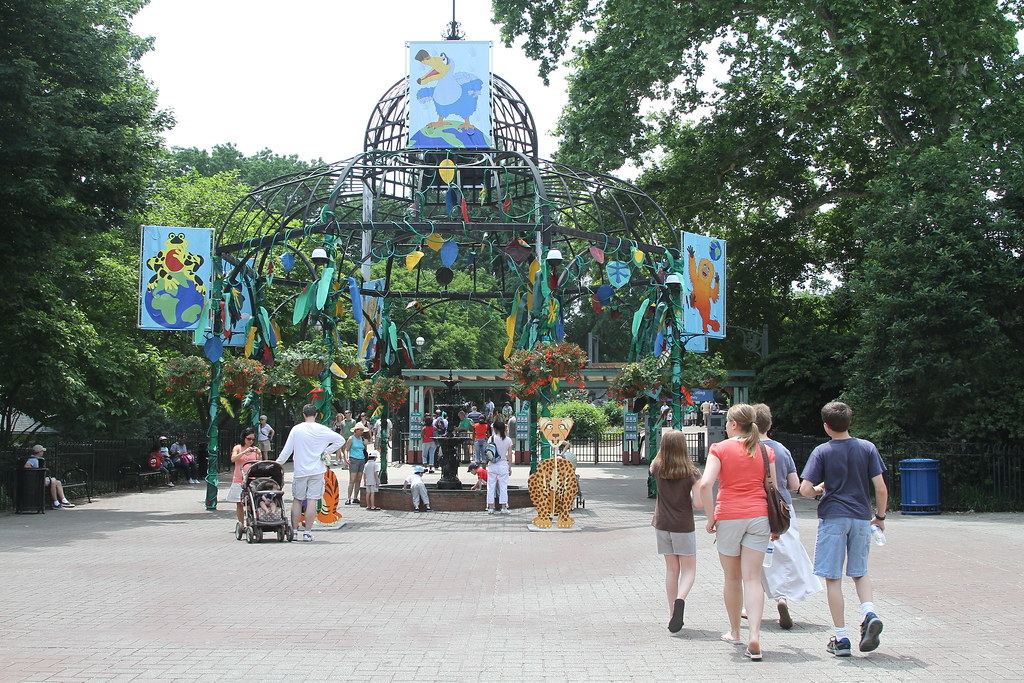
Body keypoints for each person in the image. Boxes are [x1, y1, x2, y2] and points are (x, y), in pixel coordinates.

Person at [799, 401, 888, 657]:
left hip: (833, 518)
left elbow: (805, 489)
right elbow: (881, 488)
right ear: (850, 422)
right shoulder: (867, 448)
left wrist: (818, 490)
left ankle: (841, 638)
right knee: (860, 573)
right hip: (861, 517)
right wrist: (880, 517)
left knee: (833, 578)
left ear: (826, 426)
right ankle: (869, 613)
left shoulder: (822, 451)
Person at [698, 403, 780, 661]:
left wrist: (710, 517)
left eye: (727, 422)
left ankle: (735, 632)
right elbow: (774, 488)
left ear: (734, 424)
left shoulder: (719, 449)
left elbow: (705, 484)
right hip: (759, 516)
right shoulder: (765, 451)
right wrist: (775, 524)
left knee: (732, 578)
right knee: (753, 579)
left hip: (729, 516)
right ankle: (754, 634)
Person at [752, 404, 821, 629]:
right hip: (782, 508)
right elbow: (793, 484)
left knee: (754, 555)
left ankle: (750, 604)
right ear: (770, 425)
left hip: (755, 507)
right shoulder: (782, 450)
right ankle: (782, 598)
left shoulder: (746, 448)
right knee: (785, 552)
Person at [650, 431, 702, 633]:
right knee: (689, 570)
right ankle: (680, 599)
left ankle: (672, 613)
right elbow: (698, 504)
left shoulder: (657, 467)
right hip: (683, 525)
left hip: (662, 524)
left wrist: (662, 449)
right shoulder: (692, 473)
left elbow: (653, 463)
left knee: (672, 570)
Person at [275, 404, 345, 542]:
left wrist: (277, 464)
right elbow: (340, 440)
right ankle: (307, 532)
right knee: (312, 500)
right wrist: (326, 452)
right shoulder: (322, 429)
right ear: (316, 415)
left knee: (297, 499)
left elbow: (287, 451)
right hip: (317, 470)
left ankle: (294, 531)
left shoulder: (297, 429)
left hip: (300, 470)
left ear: (303, 414)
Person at [227, 428, 261, 527]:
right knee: (239, 502)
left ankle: (251, 521)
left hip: (251, 479)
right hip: (239, 478)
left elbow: (259, 463)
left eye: (253, 439)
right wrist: (243, 452)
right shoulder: (238, 448)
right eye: (248, 439)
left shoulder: (254, 449)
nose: (251, 441)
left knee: (251, 502)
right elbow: (233, 459)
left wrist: (259, 454)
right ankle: (241, 524)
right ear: (243, 438)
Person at [24, 445, 75, 509]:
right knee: (53, 481)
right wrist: (37, 471)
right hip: (37, 480)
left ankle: (63, 500)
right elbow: (26, 466)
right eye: (42, 451)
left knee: (58, 482)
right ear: (39, 452)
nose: (43, 452)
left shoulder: (39, 459)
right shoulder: (33, 459)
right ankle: (55, 502)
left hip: (40, 478)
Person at [485, 419, 514, 514]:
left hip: (492, 465)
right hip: (503, 465)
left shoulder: (491, 438)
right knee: (503, 487)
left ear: (495, 429)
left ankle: (490, 507)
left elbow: (489, 452)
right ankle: (503, 507)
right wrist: (510, 467)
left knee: (490, 486)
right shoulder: (508, 440)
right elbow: (510, 455)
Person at [342, 424, 370, 506]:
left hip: (361, 459)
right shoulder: (351, 438)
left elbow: (364, 450)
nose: (361, 432)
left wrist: (365, 444)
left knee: (358, 479)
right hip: (353, 459)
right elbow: (346, 449)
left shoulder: (362, 439)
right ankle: (348, 498)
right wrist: (346, 458)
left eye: (362, 430)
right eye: (360, 430)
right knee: (352, 479)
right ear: (356, 430)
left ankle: (355, 497)